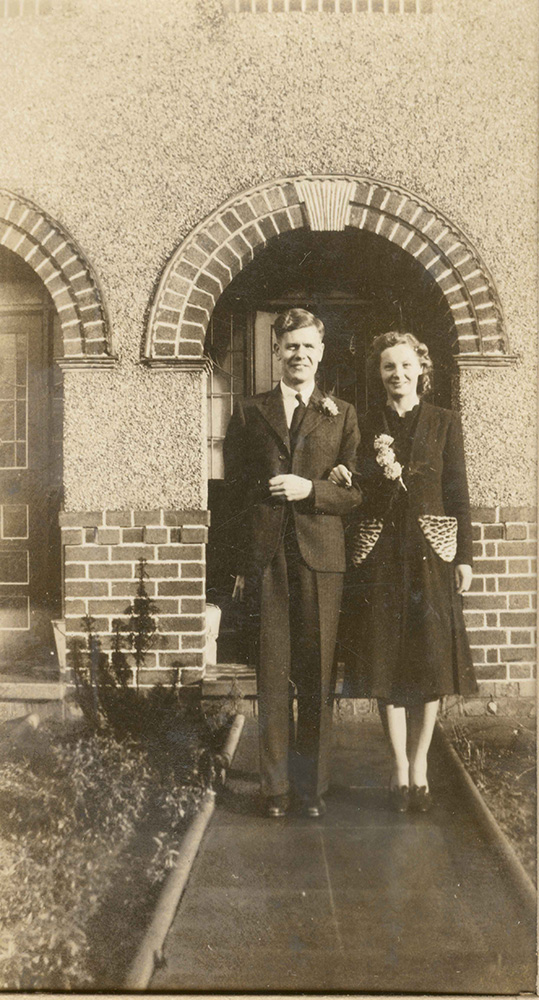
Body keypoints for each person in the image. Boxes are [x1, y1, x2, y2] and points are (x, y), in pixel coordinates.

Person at [223, 308, 362, 819]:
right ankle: (276, 789)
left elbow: (355, 494)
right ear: (276, 351)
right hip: (268, 558)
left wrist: (312, 489)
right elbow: (233, 497)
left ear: (320, 352)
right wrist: (238, 567)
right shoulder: (248, 411)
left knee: (317, 673)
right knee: (272, 673)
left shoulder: (341, 413)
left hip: (321, 559)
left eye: (308, 346)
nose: (299, 354)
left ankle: (311, 790)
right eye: (290, 346)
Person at [330, 331, 477, 813]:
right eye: (389, 366)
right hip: (381, 556)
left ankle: (420, 766)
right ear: (380, 373)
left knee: (430, 661)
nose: (399, 374)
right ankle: (397, 769)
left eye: (406, 365)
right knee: (384, 661)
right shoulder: (365, 423)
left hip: (431, 556)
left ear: (422, 369)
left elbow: (457, 491)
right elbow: (351, 484)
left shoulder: (443, 422)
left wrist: (465, 558)